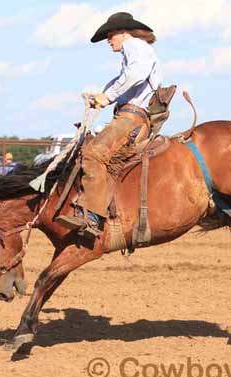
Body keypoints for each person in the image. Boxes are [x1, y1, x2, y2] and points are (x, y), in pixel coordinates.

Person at [55, 12, 161, 238]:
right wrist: (103, 96)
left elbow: (136, 75)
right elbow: (124, 79)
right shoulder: (135, 49)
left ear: (123, 32)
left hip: (130, 118)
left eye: (110, 34)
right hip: (130, 115)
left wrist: (108, 96)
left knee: (92, 154)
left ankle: (91, 215)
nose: (108, 40)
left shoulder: (134, 45)